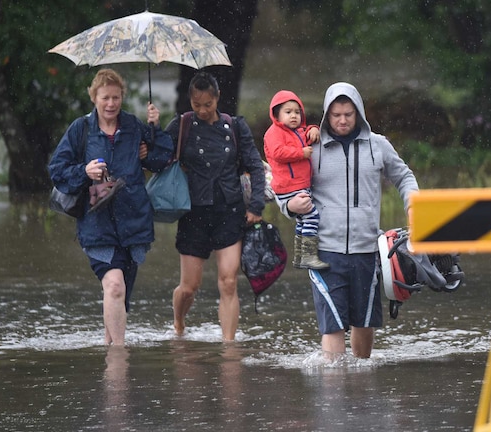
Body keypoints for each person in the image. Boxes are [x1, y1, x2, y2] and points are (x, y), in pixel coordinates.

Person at [284, 82, 419, 359]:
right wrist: (288, 205)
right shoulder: (310, 149)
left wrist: (413, 204)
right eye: (336, 115)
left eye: (348, 114)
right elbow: (283, 186)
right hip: (322, 251)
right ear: (326, 116)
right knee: (332, 326)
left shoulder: (378, 145)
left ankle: (359, 389)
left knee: (364, 322)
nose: (342, 120)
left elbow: (404, 176)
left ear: (358, 113)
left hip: (368, 250)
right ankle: (333, 394)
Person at [49, 68, 174, 346]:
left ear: (122, 98)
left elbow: (163, 158)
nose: (111, 104)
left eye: (116, 97)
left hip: (134, 222)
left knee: (121, 293)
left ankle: (111, 359)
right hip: (96, 223)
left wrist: (155, 127)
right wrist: (85, 171)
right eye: (105, 97)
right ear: (94, 97)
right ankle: (119, 357)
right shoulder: (80, 129)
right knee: (114, 285)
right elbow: (57, 170)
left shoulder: (133, 126)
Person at [165, 71, 266, 341]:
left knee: (229, 281)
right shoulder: (182, 125)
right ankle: (178, 322)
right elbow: (158, 158)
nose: (202, 110)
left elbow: (255, 165)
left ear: (217, 98)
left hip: (229, 212)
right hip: (193, 214)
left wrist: (256, 205)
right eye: (196, 105)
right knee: (189, 287)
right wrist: (151, 134)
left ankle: (229, 345)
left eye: (207, 105)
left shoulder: (235, 126)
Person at [263, 90, 327, 270]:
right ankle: (307, 255)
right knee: (312, 217)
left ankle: (300, 256)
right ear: (276, 114)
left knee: (303, 220)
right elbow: (278, 152)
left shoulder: (297, 131)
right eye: (288, 112)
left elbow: (305, 132)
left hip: (300, 185)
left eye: (297, 112)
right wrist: (301, 153)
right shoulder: (273, 132)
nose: (294, 116)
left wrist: (313, 128)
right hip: (289, 186)